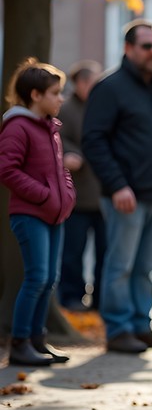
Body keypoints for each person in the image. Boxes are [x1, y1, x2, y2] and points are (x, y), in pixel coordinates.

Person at [82, 19, 152, 354]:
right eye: (147, 46)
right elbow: (93, 141)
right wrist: (116, 186)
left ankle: (141, 326)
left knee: (145, 267)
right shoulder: (109, 88)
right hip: (126, 195)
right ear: (128, 49)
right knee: (121, 266)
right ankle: (118, 329)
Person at [0, 59, 77, 366]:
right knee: (36, 278)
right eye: (55, 93)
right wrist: (45, 195)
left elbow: (60, 170)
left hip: (54, 214)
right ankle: (19, 344)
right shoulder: (18, 126)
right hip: (29, 215)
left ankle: (37, 340)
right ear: (35, 95)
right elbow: (7, 169)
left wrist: (66, 195)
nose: (61, 98)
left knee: (49, 279)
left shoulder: (50, 128)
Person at [57, 60, 105, 312]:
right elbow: (57, 138)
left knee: (104, 251)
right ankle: (71, 297)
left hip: (103, 193)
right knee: (73, 251)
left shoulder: (103, 107)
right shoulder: (65, 110)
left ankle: (99, 299)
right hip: (76, 194)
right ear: (82, 83)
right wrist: (71, 154)